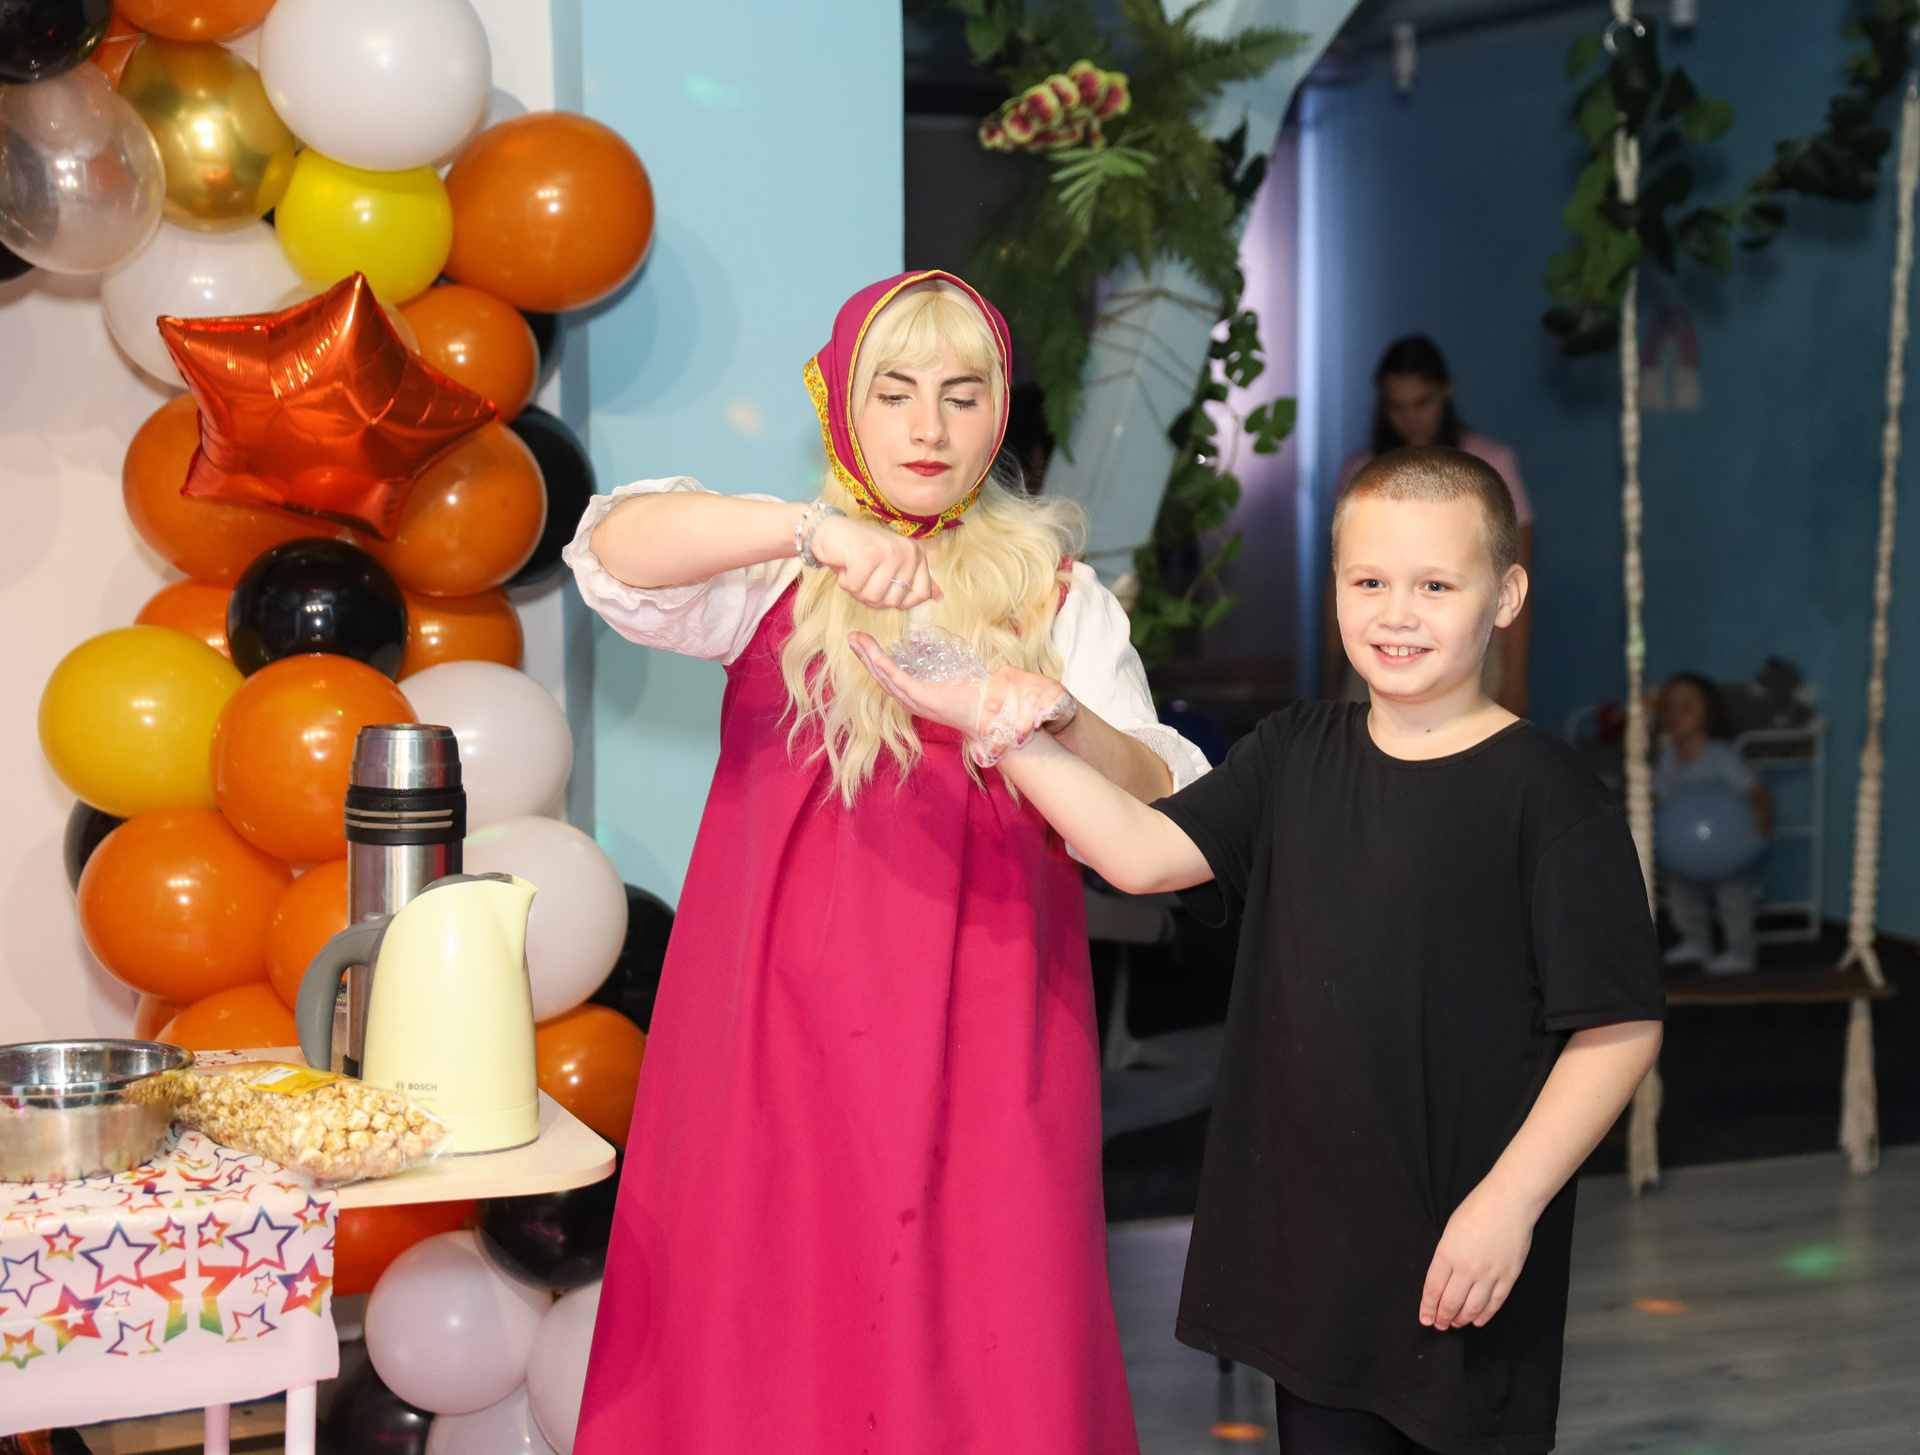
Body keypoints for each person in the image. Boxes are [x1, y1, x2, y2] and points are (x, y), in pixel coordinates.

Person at [856, 445, 1666, 1455]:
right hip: (1313, 1266)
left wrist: (1509, 1203)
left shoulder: (1549, 795)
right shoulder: (1294, 753)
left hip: (1465, 1257)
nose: (1397, 613)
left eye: (1435, 586)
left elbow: (1618, 1027)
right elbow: (1141, 854)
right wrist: (1005, 727)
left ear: (1504, 596)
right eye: (1368, 582)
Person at [562, 270, 1207, 1453]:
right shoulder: (776, 570)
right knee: (770, 1326)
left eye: (963, 395)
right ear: (840, 403)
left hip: (994, 1030)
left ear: (998, 414)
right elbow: (612, 547)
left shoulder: (1058, 599)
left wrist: (1055, 713)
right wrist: (814, 531)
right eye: (895, 391)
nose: (929, 427)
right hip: (771, 1034)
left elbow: (1163, 796)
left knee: (988, 1330)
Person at [1324, 335, 1535, 715]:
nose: (1410, 418)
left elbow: (1518, 570)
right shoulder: (1362, 473)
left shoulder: (1491, 463)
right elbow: (1337, 582)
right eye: (1397, 406)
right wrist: (1331, 675)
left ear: (1445, 392)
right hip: (1378, 658)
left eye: (1422, 403)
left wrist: (1516, 680)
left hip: (1472, 658)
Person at [1654, 672, 1773, 974]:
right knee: (1681, 895)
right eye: (1668, 707)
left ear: (1708, 715)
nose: (1675, 713)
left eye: (1686, 706)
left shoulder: (1720, 755)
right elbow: (1659, 796)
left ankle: (1741, 953)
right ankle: (1696, 942)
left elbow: (1756, 790)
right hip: (1684, 850)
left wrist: (1763, 812)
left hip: (1728, 846)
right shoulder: (1668, 757)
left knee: (1734, 899)